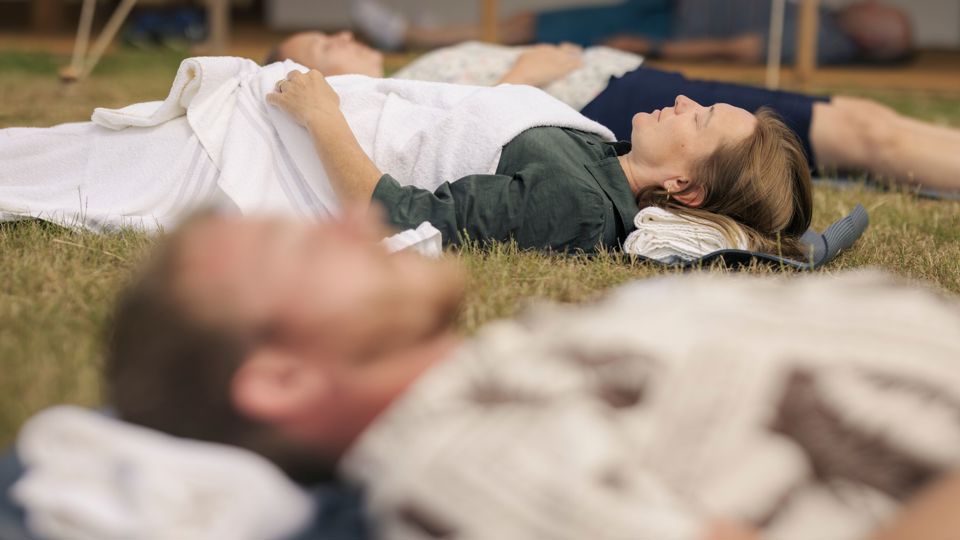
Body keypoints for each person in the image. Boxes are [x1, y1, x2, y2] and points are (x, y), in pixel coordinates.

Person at [84, 211, 960, 539]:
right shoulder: (457, 464)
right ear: (280, 381)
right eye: (303, 245)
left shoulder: (510, 369)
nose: (353, 223)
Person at [270, 31, 960, 193]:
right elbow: (471, 130)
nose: (343, 38)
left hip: (625, 78)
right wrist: (529, 70)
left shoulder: (423, 57)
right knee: (863, 134)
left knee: (859, 117)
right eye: (323, 46)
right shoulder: (397, 92)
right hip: (606, 104)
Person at [267, 68, 813, 257]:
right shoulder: (602, 157)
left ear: (682, 186)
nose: (685, 104)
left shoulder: (579, 208)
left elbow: (397, 219)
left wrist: (322, 116)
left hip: (317, 134)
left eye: (700, 120)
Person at [352, 0, 913, 65]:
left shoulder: (827, 39)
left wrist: (657, 47)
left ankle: (414, 36)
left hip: (666, 25)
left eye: (880, 15)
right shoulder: (831, 18)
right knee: (531, 25)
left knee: (530, 30)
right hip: (671, 10)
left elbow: (742, 47)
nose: (872, 5)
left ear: (872, 40)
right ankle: (418, 32)